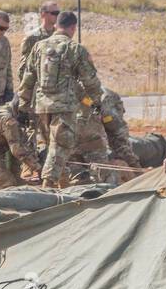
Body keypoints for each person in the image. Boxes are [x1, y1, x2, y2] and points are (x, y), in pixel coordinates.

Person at [18, 11, 103, 188]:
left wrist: (23, 105)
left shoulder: (39, 47)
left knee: (54, 147)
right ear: (73, 28)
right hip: (64, 107)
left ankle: (63, 186)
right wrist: (96, 101)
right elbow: (90, 80)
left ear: (56, 25)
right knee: (60, 147)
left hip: (42, 107)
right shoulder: (75, 49)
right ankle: (48, 185)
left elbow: (28, 78)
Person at [19, 0, 60, 79]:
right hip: (38, 86)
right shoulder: (32, 37)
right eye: (54, 13)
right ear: (43, 14)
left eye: (58, 13)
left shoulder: (59, 35)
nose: (57, 16)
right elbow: (25, 67)